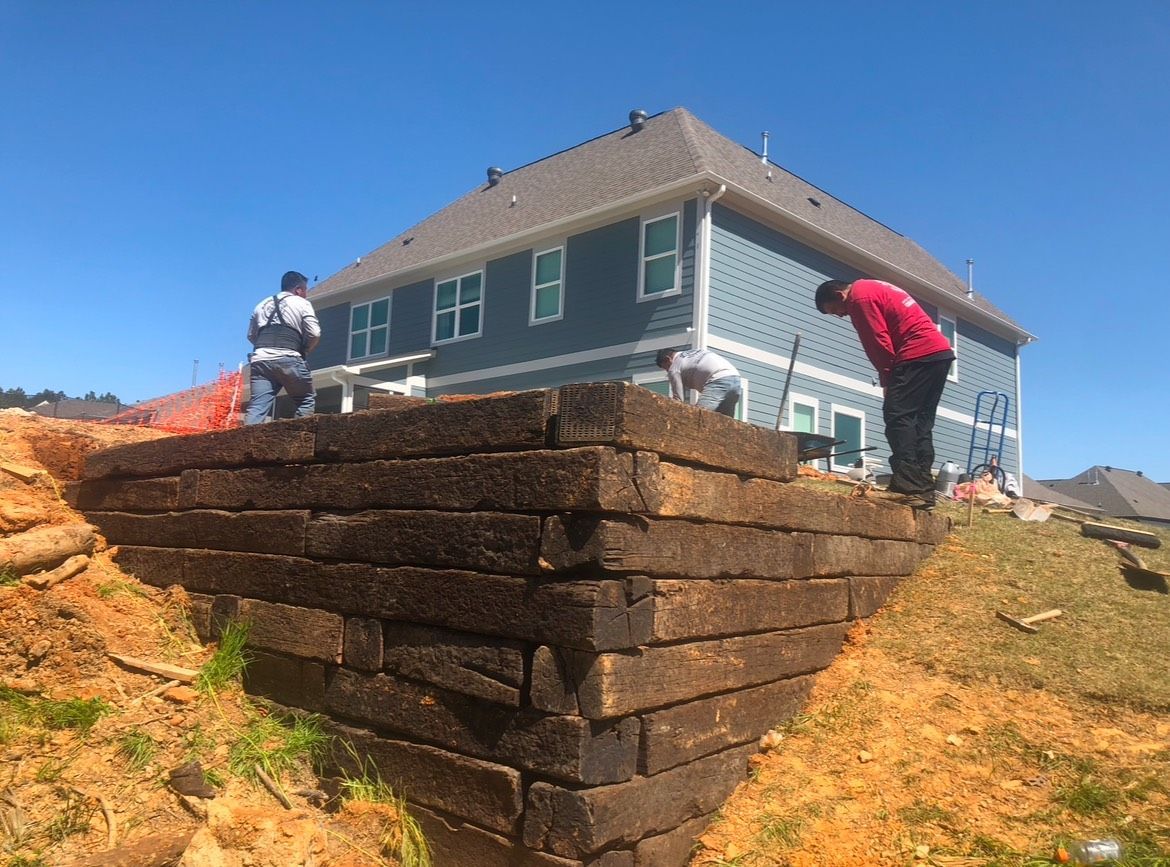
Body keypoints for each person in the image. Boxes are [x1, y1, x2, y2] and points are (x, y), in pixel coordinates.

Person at [814, 278, 954, 509]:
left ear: (840, 295)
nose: (840, 316)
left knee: (898, 416)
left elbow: (877, 342)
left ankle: (910, 487)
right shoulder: (874, 287)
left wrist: (887, 379)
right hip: (938, 354)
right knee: (920, 422)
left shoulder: (859, 299)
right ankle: (923, 489)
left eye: (835, 311)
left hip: (915, 354)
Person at [245, 270, 321, 424]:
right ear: (298, 290)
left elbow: (251, 336)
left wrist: (265, 349)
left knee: (257, 407)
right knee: (305, 399)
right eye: (305, 290)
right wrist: (305, 349)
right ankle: (301, 441)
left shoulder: (260, 305)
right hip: (289, 358)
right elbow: (314, 333)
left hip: (260, 360)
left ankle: (246, 445)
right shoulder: (301, 303)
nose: (306, 294)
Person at [655, 348, 742, 416]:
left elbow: (678, 400)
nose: (667, 371)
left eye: (666, 367)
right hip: (736, 379)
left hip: (717, 380)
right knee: (726, 423)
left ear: (668, 359)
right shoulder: (694, 353)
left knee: (698, 416)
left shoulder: (674, 367)